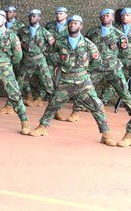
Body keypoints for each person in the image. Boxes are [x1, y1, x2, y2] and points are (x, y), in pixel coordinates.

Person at [29, 16, 118, 146]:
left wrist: (84, 70)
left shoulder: (88, 44)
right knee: (54, 104)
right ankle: (42, 127)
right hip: (65, 80)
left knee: (97, 105)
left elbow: (97, 61)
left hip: (83, 82)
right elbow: (49, 53)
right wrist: (58, 64)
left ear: (81, 26)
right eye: (70, 23)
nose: (72, 25)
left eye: (75, 23)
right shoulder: (60, 42)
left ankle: (106, 134)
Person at [14, 9, 55, 107]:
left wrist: (45, 55)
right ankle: (10, 105)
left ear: (39, 17)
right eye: (30, 16)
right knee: (18, 83)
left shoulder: (45, 33)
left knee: (48, 85)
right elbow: (16, 42)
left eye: (34, 16)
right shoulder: (23, 30)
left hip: (40, 61)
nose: (32, 17)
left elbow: (53, 47)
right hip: (27, 61)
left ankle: (55, 109)